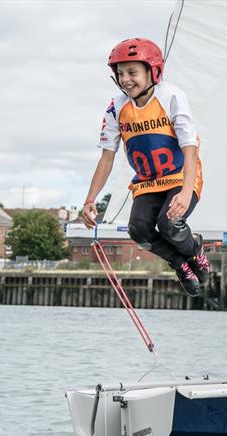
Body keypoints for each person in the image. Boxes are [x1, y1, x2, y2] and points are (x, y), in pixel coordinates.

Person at [81, 37, 209, 297]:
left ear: (153, 71)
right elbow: (107, 157)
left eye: (132, 72)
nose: (125, 79)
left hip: (180, 176)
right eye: (120, 74)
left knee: (169, 223)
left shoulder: (171, 96)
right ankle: (179, 263)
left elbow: (190, 148)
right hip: (148, 182)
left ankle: (195, 248)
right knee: (138, 230)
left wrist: (185, 193)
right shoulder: (116, 107)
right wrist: (90, 199)